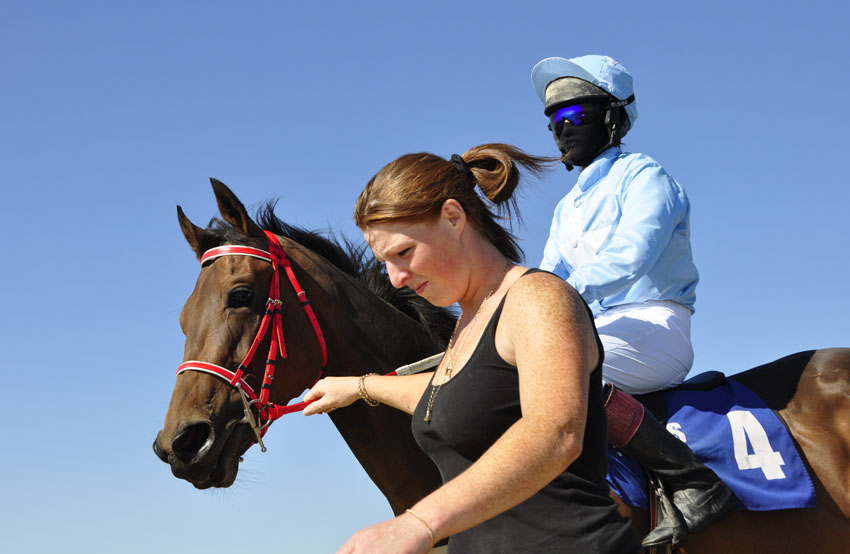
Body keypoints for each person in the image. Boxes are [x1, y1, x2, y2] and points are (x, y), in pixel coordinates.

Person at [303, 143, 641, 553]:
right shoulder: (468, 323)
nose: (394, 279)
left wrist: (418, 523)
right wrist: (358, 387)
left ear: (453, 217)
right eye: (384, 263)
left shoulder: (536, 299)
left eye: (404, 253)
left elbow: (555, 433)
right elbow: (448, 398)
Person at [531, 54, 739, 546]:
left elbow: (632, 256)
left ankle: (693, 483)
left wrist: (548, 297)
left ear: (613, 117)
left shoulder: (648, 178)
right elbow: (546, 276)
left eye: (574, 116)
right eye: (554, 122)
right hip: (597, 329)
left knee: (561, 365)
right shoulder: (568, 208)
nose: (561, 131)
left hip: (656, 328)